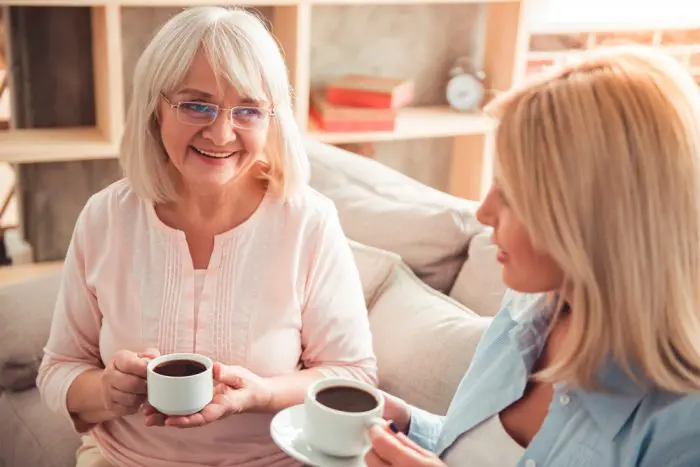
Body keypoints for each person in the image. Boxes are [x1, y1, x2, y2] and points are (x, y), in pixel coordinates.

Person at [37, 6, 377, 467]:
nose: (221, 132)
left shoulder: (308, 222)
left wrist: (263, 394)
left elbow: (354, 375)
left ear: (271, 118)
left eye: (248, 110)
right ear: (156, 108)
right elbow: (58, 369)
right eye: (196, 104)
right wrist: (105, 390)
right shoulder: (105, 218)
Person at [366, 48, 700, 466]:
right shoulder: (526, 310)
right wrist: (408, 426)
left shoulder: (684, 429)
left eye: (512, 194)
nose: (484, 212)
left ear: (595, 219)